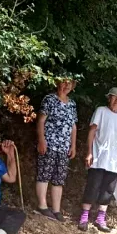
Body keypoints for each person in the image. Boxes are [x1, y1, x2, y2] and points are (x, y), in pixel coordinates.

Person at [79, 87, 117, 232]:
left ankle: (101, 219)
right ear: (109, 98)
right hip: (99, 156)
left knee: (108, 188)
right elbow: (92, 131)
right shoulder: (101, 111)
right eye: (113, 97)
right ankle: (84, 216)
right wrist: (89, 152)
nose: (116, 101)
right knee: (93, 186)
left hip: (114, 160)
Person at [35, 76, 78, 221]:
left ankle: (56, 210)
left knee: (59, 179)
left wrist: (73, 145)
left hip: (64, 147)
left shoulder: (72, 104)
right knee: (44, 174)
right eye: (63, 83)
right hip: (49, 143)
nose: (66, 86)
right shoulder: (49, 99)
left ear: (73, 86)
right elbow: (41, 121)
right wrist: (41, 140)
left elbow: (73, 126)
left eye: (69, 84)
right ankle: (42, 206)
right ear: (58, 83)